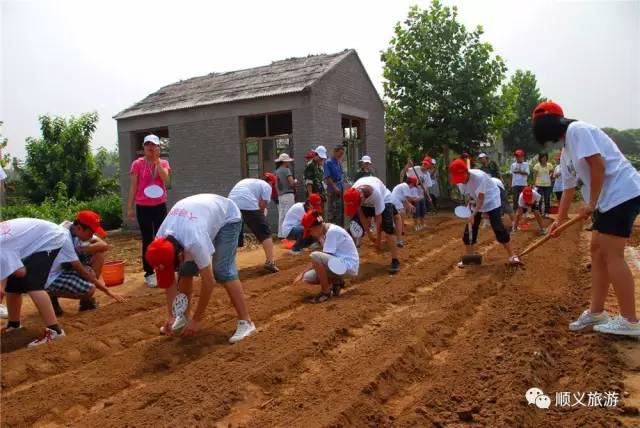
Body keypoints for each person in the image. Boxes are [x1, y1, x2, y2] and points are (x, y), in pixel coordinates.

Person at [532, 100, 640, 336]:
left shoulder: (577, 130)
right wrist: (559, 221)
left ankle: (630, 320)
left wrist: (591, 204)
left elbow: (598, 167)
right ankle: (597, 311)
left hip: (621, 193)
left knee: (612, 253)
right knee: (597, 251)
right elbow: (568, 187)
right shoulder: (565, 151)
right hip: (608, 199)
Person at [145, 194, 255, 343]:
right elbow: (169, 281)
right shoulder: (159, 242)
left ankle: (246, 322)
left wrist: (197, 320)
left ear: (179, 254)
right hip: (200, 216)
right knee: (185, 270)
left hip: (227, 217)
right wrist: (172, 315)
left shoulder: (194, 240)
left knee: (222, 270)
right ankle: (182, 316)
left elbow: (209, 282)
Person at [0, 219, 73, 346]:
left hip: (50, 238)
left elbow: (0, 290)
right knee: (13, 282)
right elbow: (19, 272)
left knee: (33, 284)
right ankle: (14, 325)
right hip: (38, 238)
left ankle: (55, 332)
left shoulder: (1, 247)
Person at [48, 211, 126, 316]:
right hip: (50, 274)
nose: (92, 236)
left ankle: (86, 302)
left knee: (99, 255)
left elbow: (104, 245)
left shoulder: (75, 229)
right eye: (91, 233)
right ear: (80, 228)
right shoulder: (63, 236)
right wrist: (107, 291)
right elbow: (82, 271)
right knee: (89, 290)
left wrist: (84, 248)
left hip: (64, 267)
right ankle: (49, 296)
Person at [449, 160, 520, 267]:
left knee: (498, 227)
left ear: (466, 172)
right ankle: (470, 258)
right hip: (475, 201)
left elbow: (481, 200)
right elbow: (468, 197)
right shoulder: (460, 182)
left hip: (491, 200)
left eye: (460, 177)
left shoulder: (479, 178)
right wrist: (469, 213)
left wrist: (473, 215)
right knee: (469, 229)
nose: (460, 181)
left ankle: (512, 255)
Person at [127, 134, 171, 288]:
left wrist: (157, 161)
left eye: (154, 145)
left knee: (161, 238)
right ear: (143, 147)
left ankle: (164, 268)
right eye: (148, 145)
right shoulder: (137, 164)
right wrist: (130, 207)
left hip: (159, 205)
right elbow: (133, 186)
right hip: (143, 206)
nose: (150, 148)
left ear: (158, 147)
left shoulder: (163, 162)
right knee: (147, 238)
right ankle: (149, 273)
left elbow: (165, 178)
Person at [293, 210, 359, 303]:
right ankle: (337, 282)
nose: (310, 234)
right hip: (340, 264)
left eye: (310, 230)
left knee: (314, 256)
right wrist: (304, 273)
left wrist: (302, 272)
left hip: (348, 265)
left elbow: (320, 259)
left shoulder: (331, 232)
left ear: (316, 226)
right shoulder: (323, 233)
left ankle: (325, 292)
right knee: (308, 277)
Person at [343, 176, 401, 273]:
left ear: (361, 197)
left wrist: (378, 240)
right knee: (353, 227)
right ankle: (349, 261)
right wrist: (369, 235)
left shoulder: (376, 194)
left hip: (385, 199)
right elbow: (361, 215)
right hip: (366, 202)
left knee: (388, 229)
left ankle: (395, 260)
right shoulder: (353, 194)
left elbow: (379, 220)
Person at [228, 175, 279, 273]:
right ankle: (270, 262)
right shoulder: (267, 186)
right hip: (246, 203)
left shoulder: (250, 182)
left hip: (231, 204)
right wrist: (262, 217)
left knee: (233, 234)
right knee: (265, 231)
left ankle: (229, 266)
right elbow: (262, 206)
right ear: (271, 183)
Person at [400, 157, 433, 231]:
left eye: (426, 164)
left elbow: (426, 187)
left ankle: (422, 224)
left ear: (429, 165)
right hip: (414, 195)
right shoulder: (416, 169)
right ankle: (416, 225)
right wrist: (408, 165)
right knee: (416, 210)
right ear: (422, 163)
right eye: (424, 163)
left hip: (421, 195)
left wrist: (428, 197)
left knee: (423, 210)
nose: (424, 165)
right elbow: (403, 172)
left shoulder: (427, 174)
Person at [391, 177, 420, 247]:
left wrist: (410, 206)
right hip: (396, 202)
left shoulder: (403, 186)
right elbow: (408, 198)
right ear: (412, 183)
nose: (413, 187)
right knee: (400, 219)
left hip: (394, 202)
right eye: (414, 185)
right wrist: (417, 199)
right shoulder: (405, 186)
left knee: (399, 217)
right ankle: (399, 236)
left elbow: (405, 200)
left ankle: (399, 231)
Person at [274, 153, 297, 239]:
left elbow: (276, 185)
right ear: (285, 162)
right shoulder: (286, 170)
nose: (289, 163)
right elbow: (291, 183)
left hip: (280, 196)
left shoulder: (276, 171)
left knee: (282, 215)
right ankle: (288, 235)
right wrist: (295, 181)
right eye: (288, 161)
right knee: (289, 215)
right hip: (288, 194)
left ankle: (281, 234)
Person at [324, 145, 345, 226]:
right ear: (335, 152)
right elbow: (328, 177)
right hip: (333, 188)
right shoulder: (328, 162)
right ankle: (331, 227)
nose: (341, 155)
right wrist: (335, 187)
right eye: (340, 153)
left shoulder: (339, 163)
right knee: (333, 209)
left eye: (342, 154)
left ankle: (340, 227)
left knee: (340, 209)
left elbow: (342, 175)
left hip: (340, 187)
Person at [533, 153, 554, 218]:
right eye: (542, 158)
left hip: (547, 185)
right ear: (540, 158)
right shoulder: (537, 166)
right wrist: (534, 184)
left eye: (545, 157)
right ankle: (540, 212)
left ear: (546, 158)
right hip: (539, 185)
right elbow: (534, 176)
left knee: (547, 199)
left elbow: (552, 173)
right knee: (539, 199)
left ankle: (547, 212)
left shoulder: (549, 165)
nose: (543, 159)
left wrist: (551, 175)